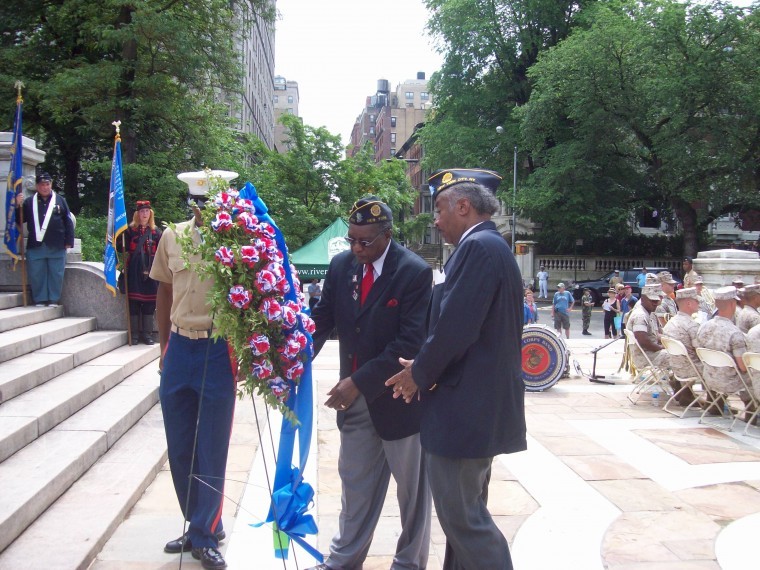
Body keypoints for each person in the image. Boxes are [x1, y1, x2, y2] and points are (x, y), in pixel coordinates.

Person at [386, 168, 526, 570]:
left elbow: (456, 328)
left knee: (464, 521)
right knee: (464, 519)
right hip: (477, 410)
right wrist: (424, 363)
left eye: (440, 207)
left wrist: (418, 373)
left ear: (464, 206)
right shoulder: (490, 246)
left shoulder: (477, 248)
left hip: (466, 413)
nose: (435, 218)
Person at [308, 196, 432, 570]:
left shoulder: (413, 272)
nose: (357, 248)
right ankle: (344, 560)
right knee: (355, 485)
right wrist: (293, 358)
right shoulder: (342, 266)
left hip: (400, 400)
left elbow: (409, 343)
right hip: (356, 402)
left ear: (387, 235)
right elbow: (321, 320)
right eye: (352, 240)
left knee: (412, 496)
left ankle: (409, 563)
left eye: (366, 241)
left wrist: (357, 382)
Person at [150, 172, 236, 570]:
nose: (203, 213)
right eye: (198, 207)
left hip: (218, 348)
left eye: (210, 206)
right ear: (191, 206)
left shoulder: (237, 240)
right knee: (181, 445)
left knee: (212, 445)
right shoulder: (172, 236)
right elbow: (164, 290)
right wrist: (163, 346)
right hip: (180, 347)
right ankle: (197, 520)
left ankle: (205, 532)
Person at [15, 172, 75, 306]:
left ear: (51, 185)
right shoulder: (29, 202)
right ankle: (40, 299)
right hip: (36, 244)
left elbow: (68, 221)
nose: (45, 187)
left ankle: (53, 299)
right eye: (42, 185)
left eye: (47, 184)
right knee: (36, 274)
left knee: (56, 273)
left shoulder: (60, 200)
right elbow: (19, 219)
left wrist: (69, 241)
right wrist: (17, 206)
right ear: (37, 186)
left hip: (57, 243)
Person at [697, 287, 752, 402]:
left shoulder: (703, 327)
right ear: (733, 304)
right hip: (730, 383)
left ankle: (716, 403)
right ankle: (750, 410)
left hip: (709, 379)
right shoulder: (735, 333)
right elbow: (743, 367)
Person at [118, 200, 162, 345]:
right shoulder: (129, 231)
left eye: (147, 211)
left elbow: (162, 252)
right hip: (135, 270)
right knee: (134, 303)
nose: (145, 214)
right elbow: (120, 248)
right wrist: (119, 235)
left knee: (149, 303)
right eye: (142, 212)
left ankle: (147, 335)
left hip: (151, 269)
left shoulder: (156, 232)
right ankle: (135, 334)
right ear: (137, 214)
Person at [662, 287, 702, 405]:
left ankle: (685, 392)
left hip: (676, 366)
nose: (699, 304)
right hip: (690, 368)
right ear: (689, 303)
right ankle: (715, 403)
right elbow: (700, 350)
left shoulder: (671, 322)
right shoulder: (691, 325)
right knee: (719, 365)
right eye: (697, 301)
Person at [627, 283, 670, 370]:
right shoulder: (640, 316)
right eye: (652, 300)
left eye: (657, 300)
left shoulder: (649, 313)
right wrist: (661, 347)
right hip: (645, 357)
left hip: (650, 354)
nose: (656, 303)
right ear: (643, 299)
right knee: (678, 356)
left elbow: (654, 335)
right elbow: (643, 341)